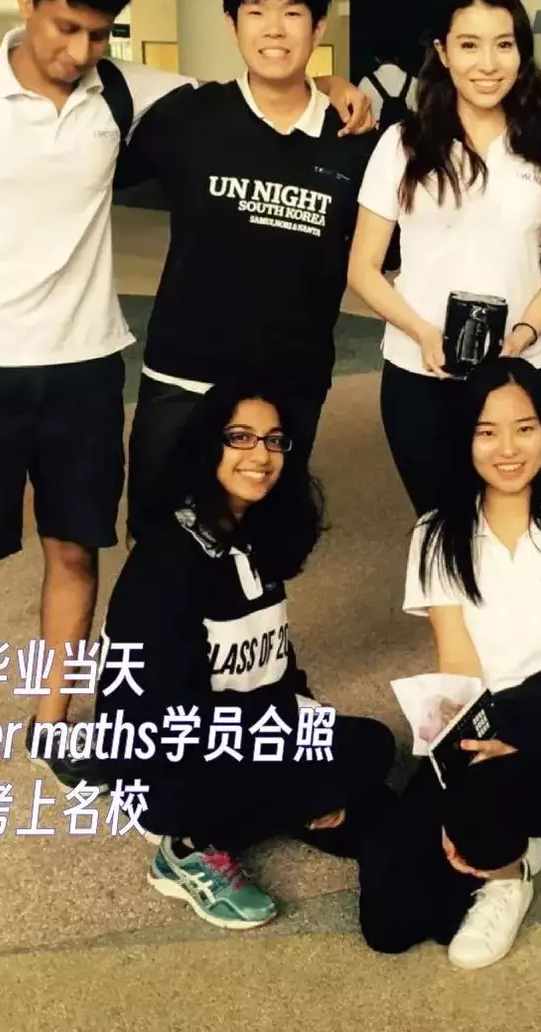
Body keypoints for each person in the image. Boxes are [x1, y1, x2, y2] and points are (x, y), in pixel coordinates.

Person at [0, 0, 364, 822]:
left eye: (99, 34)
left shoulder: (128, 92)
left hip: (87, 366)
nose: (80, 52)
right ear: (24, 2)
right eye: (65, 28)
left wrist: (334, 84)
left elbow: (259, 87)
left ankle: (55, 727)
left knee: (75, 553)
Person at [359, 357, 541, 969]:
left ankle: (508, 874)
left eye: (525, 428)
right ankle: (495, 834)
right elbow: (457, 670)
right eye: (487, 432)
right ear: (465, 438)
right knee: (390, 922)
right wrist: (457, 762)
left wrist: (517, 738)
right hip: (480, 726)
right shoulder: (437, 534)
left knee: (483, 807)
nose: (507, 449)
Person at [96, 381, 397, 929]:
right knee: (344, 776)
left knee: (372, 746)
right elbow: (162, 714)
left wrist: (303, 728)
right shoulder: (168, 559)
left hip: (246, 735)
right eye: (240, 437)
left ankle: (286, 803)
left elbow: (275, 662)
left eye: (274, 440)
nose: (261, 455)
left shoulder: (251, 537)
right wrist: (286, 744)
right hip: (171, 759)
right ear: (208, 444)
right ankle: (187, 850)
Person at [107, 0, 381, 543]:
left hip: (290, 381)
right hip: (185, 374)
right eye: (256, 12)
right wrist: (1, 62)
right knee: (159, 538)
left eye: (292, 13)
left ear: (318, 27)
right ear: (231, 24)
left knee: (266, 541)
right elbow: (81, 102)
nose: (274, 30)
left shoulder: (354, 140)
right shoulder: (188, 116)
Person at [348, 0, 541, 518]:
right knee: (443, 525)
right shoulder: (402, 144)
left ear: (521, 53)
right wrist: (421, 331)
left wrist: (524, 333)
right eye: (469, 45)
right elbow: (363, 267)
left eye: (504, 44)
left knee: (523, 522)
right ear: (443, 52)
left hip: (520, 369)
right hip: (420, 372)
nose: (488, 64)